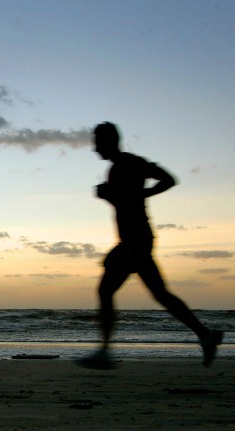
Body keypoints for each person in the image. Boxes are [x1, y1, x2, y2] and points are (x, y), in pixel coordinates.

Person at [78, 122, 223, 369]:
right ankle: (205, 335)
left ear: (109, 142)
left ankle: (104, 351)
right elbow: (147, 190)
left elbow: (152, 189)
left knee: (106, 290)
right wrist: (121, 196)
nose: (94, 148)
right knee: (160, 294)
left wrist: (126, 196)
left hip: (135, 239)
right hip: (138, 239)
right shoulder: (125, 165)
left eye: (97, 142)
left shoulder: (126, 164)